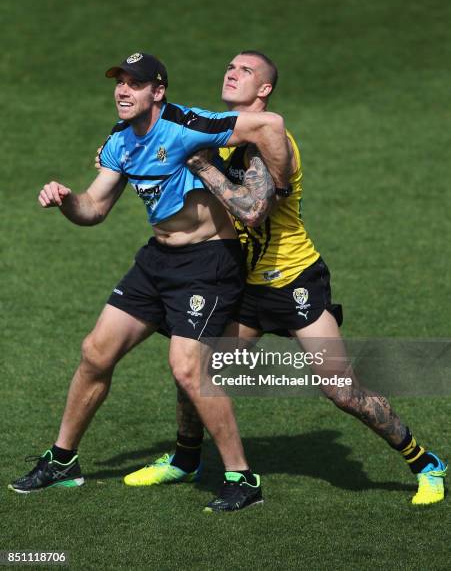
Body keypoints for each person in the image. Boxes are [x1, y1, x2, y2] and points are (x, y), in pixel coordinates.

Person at [124, 51, 447, 507]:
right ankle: (186, 457)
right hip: (241, 284)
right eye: (230, 67)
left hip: (293, 279)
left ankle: (424, 462)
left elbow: (253, 212)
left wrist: (198, 164)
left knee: (340, 389)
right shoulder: (218, 135)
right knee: (193, 366)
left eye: (245, 71)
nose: (231, 73)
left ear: (265, 90)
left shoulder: (271, 145)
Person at [8, 52, 294, 513]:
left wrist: (278, 188)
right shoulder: (120, 141)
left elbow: (271, 126)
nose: (123, 90)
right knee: (95, 351)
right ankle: (62, 462)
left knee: (187, 367)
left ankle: (244, 478)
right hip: (157, 261)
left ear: (157, 91)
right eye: (119, 82)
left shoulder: (186, 124)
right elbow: (94, 209)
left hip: (209, 263)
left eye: (134, 84)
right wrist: (65, 200)